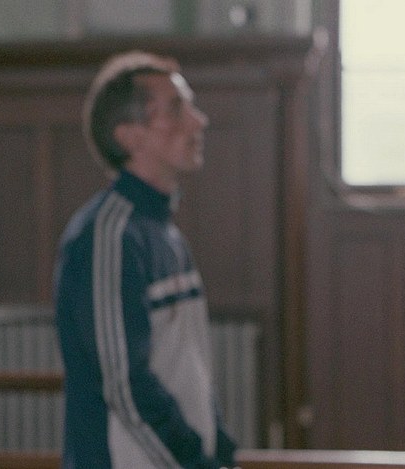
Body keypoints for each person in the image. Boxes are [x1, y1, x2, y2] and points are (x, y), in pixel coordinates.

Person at [53, 50, 237, 469]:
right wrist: (197, 463)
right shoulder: (106, 236)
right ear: (130, 136)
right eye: (176, 109)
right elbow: (125, 386)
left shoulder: (164, 232)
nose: (199, 121)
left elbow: (188, 369)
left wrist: (222, 453)